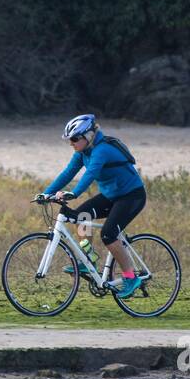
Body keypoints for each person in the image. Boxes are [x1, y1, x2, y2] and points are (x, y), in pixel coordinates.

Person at [39, 114, 147, 299]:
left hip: (132, 196)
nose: (71, 143)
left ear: (88, 136)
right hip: (111, 195)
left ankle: (131, 276)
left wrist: (73, 193)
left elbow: (89, 175)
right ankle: (89, 258)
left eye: (74, 139)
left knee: (108, 234)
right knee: (81, 216)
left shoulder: (101, 150)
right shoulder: (83, 152)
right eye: (69, 140)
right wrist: (46, 193)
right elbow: (67, 173)